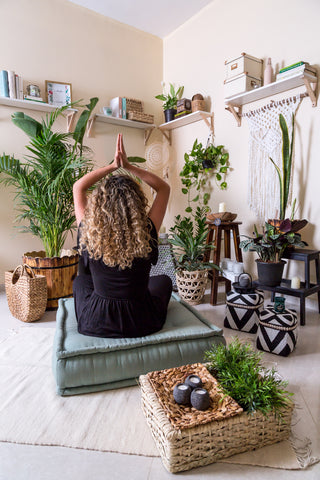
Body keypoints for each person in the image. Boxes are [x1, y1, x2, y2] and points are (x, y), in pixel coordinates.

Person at [72, 133, 172, 338]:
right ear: (136, 203)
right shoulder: (146, 231)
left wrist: (112, 166)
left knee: (81, 283)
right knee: (163, 281)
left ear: (99, 205)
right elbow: (163, 188)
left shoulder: (90, 232)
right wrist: (128, 166)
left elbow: (78, 187)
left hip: (97, 321)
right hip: (142, 320)